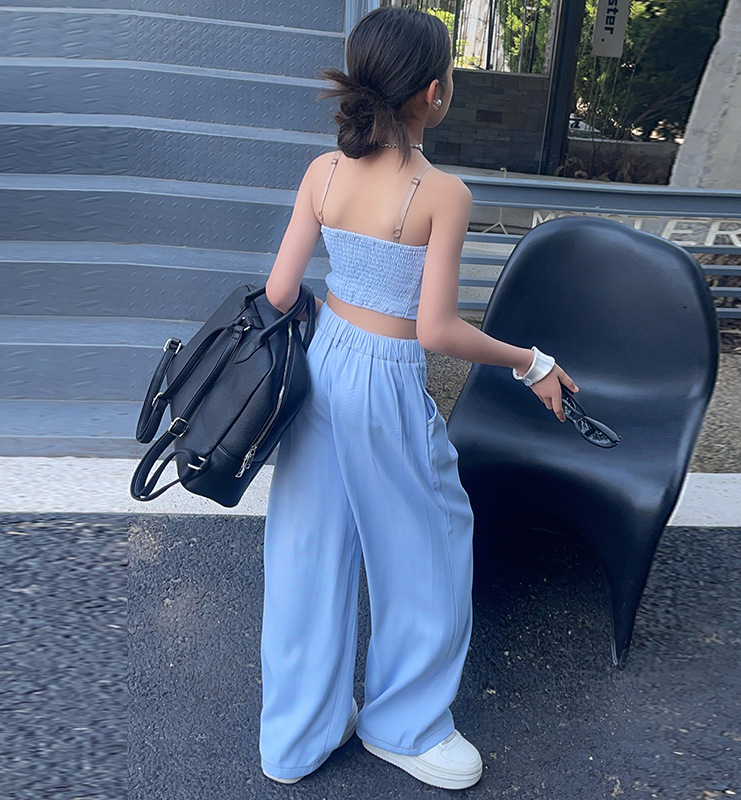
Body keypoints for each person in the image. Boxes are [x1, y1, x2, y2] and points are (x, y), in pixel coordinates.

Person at [258, 6, 579, 791]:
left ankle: (295, 737)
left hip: (319, 363)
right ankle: (403, 727)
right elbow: (436, 330)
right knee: (426, 546)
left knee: (308, 548)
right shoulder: (442, 192)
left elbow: (280, 292)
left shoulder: (323, 171)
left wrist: (338, 317)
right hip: (385, 379)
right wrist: (532, 361)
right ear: (434, 92)